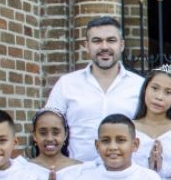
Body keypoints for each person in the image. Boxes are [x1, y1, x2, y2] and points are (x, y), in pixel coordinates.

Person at [45, 16, 144, 162]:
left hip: (127, 172)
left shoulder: (140, 85)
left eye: (111, 40)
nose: (104, 47)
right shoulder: (66, 84)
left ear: (122, 45)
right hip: (79, 171)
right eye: (97, 41)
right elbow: (49, 126)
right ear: (87, 45)